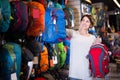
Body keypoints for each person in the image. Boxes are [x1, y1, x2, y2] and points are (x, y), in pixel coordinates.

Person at [66, 14, 98, 80]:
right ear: (80, 22)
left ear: (90, 25)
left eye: (87, 21)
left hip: (87, 73)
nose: (84, 23)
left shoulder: (93, 38)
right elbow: (61, 30)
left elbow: (95, 56)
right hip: (74, 73)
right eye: (83, 20)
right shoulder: (73, 33)